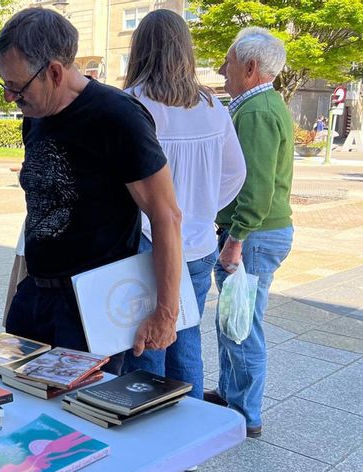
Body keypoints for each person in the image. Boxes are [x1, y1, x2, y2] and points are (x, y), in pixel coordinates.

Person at [0, 8, 183, 363]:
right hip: (35, 295)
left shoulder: (118, 116)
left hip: (90, 308)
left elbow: (166, 214)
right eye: (4, 83)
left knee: (77, 416)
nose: (8, 96)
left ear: (54, 72)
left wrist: (165, 313)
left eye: (16, 87)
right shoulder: (35, 117)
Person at [120, 10, 247, 399]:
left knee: (146, 341)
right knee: (186, 335)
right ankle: (190, 433)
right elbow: (236, 173)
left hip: (146, 238)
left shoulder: (132, 104)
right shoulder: (212, 105)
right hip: (198, 243)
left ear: (140, 50)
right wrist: (202, 209)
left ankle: (150, 430)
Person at [208, 27, 294, 439]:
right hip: (260, 232)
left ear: (250, 66)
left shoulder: (257, 110)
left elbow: (256, 188)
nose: (222, 70)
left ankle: (245, 412)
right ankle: (230, 396)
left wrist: (235, 239)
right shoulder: (261, 103)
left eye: (228, 62)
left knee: (243, 323)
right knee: (233, 319)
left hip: (255, 235)